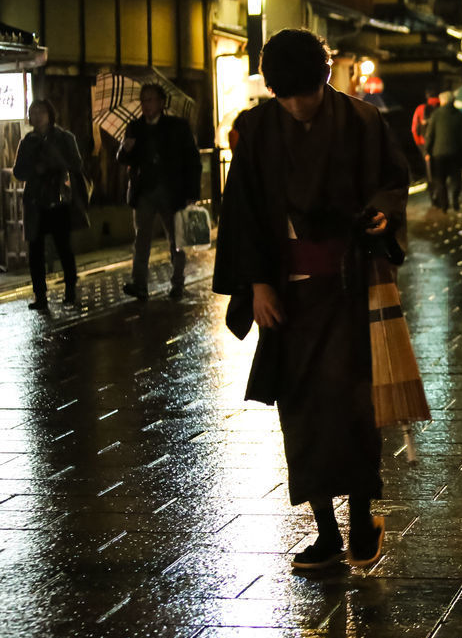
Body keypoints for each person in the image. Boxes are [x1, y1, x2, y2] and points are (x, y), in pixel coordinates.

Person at [212, 28, 409, 570]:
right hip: (287, 290)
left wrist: (383, 213)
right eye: (287, 95)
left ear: (325, 79)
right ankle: (324, 529)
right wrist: (256, 284)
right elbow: (245, 211)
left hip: (350, 283)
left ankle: (362, 517)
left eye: (307, 92)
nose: (298, 105)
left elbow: (393, 181)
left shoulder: (362, 122)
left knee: (353, 405)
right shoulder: (254, 130)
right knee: (300, 412)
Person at [117, 83, 201, 300]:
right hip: (144, 190)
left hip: (173, 191)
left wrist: (192, 191)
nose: (146, 104)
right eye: (143, 100)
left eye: (151, 99)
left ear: (162, 103)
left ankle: (177, 282)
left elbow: (192, 159)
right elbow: (123, 159)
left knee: (176, 239)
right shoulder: (134, 127)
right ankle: (139, 284)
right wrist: (125, 150)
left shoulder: (177, 127)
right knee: (141, 239)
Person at [12, 100, 89, 310]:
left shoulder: (64, 137)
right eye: (32, 112)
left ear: (50, 114)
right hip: (35, 200)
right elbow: (18, 172)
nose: (36, 116)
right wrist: (34, 169)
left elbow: (76, 164)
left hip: (59, 198)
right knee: (35, 250)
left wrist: (53, 163)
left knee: (63, 246)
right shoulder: (28, 141)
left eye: (41, 112)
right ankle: (40, 295)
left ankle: (70, 289)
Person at [422, 91, 462, 211]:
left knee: (440, 180)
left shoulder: (436, 115)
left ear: (443, 101)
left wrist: (427, 151)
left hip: (438, 153)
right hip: (456, 153)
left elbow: (430, 135)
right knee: (456, 179)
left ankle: (444, 204)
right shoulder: (460, 116)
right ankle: (455, 198)